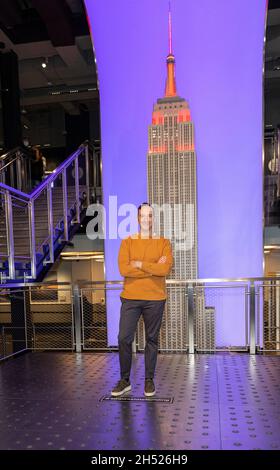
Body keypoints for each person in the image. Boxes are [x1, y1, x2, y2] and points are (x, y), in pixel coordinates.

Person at [111, 202, 173, 397]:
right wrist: (151, 268)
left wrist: (139, 264)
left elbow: (164, 270)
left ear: (153, 219)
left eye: (150, 215)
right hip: (130, 298)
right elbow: (124, 269)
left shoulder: (163, 242)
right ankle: (125, 380)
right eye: (143, 215)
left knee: (152, 340)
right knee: (123, 338)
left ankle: (149, 380)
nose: (146, 219)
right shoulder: (127, 242)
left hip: (155, 299)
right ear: (138, 219)